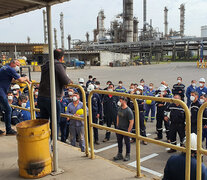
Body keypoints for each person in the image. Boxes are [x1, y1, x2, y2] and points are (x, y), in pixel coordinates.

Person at [38, 48, 72, 138]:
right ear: (62, 57)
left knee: (43, 122)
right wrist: (70, 81)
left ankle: (44, 143)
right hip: (51, 98)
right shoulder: (57, 64)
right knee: (55, 123)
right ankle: (54, 146)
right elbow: (66, 81)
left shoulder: (46, 64)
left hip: (41, 96)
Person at [0, 59, 30, 135]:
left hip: (1, 90)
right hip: (1, 91)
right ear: (13, 63)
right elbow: (20, 80)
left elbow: (11, 79)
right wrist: (26, 78)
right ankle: (9, 129)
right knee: (8, 109)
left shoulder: (5, 67)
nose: (18, 67)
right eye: (17, 65)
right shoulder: (10, 69)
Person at [113, 97, 134, 161]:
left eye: (121, 101)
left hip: (125, 129)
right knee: (119, 142)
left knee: (127, 142)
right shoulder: (119, 108)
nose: (119, 102)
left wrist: (128, 131)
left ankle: (127, 154)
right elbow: (118, 116)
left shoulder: (128, 111)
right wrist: (117, 125)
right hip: (119, 128)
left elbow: (131, 122)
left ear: (124, 101)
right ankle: (120, 154)